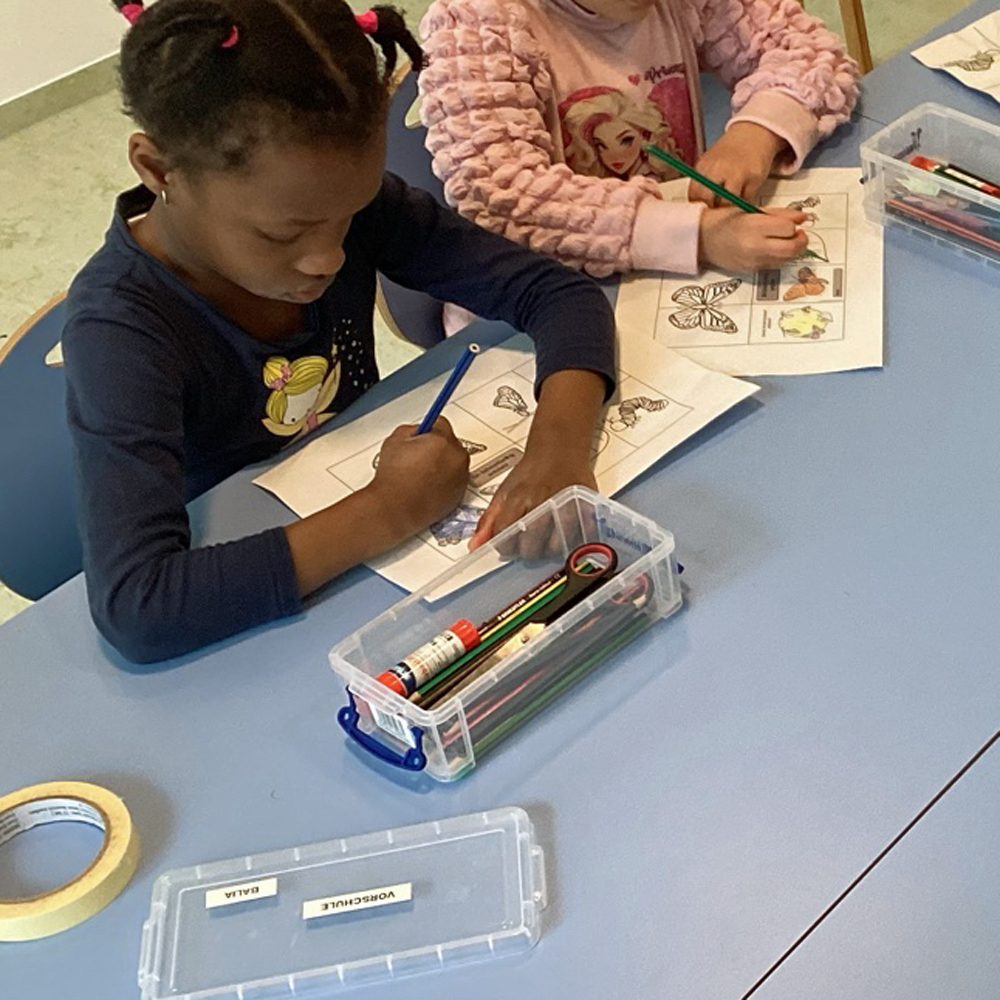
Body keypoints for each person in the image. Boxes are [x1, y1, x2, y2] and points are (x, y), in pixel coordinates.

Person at [63, 0, 615, 663]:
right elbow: (140, 606)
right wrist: (388, 510)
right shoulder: (120, 329)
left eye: (347, 218)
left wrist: (558, 447)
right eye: (283, 234)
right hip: (257, 613)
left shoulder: (335, 206)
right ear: (158, 171)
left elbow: (555, 293)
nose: (327, 258)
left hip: (369, 574)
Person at [418, 0, 860, 277]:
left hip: (676, 269)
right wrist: (699, 236)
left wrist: (753, 136)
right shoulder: (475, 23)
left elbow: (813, 55)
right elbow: (503, 194)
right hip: (544, 296)